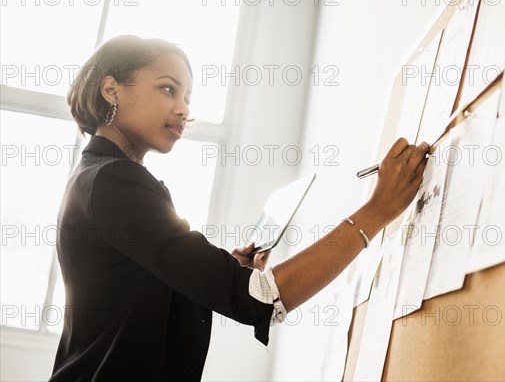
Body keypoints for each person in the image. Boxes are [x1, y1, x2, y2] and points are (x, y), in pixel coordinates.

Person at [49, 35, 429, 381]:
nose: (183, 109)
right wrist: (376, 212)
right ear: (112, 90)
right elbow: (261, 299)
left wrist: (227, 270)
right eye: (168, 89)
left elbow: (136, 296)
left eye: (188, 98)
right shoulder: (115, 182)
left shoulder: (98, 178)